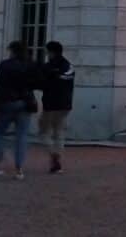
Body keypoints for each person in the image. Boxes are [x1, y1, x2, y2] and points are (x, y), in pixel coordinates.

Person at [0, 41, 38, 179]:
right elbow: (35, 83)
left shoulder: (5, 65)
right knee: (22, 136)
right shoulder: (30, 65)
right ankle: (19, 167)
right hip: (25, 103)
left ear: (13, 51)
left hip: (7, 103)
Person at [39, 40, 75, 173]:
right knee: (59, 132)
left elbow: (41, 83)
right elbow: (67, 78)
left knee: (43, 132)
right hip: (65, 104)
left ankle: (53, 154)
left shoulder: (47, 67)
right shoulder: (68, 66)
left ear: (51, 52)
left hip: (50, 104)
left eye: (47, 51)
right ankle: (57, 156)